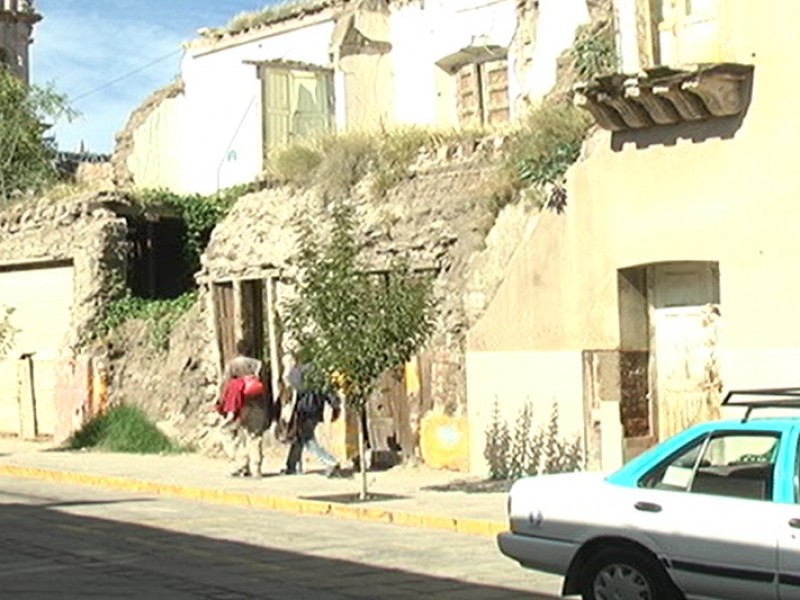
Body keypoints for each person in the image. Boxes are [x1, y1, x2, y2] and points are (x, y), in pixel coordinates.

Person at [217, 340, 273, 477]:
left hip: (239, 404)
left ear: (238, 350)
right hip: (257, 404)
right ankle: (256, 468)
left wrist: (222, 401)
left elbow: (226, 383)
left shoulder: (233, 365)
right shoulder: (258, 365)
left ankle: (240, 462)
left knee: (227, 431)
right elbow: (265, 385)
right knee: (254, 435)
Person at [282, 363, 342, 477]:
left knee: (308, 440)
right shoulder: (319, 372)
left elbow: (291, 389)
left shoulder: (296, 372)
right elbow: (328, 391)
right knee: (299, 438)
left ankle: (330, 462)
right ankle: (291, 466)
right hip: (315, 409)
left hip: (302, 410)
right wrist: (335, 405)